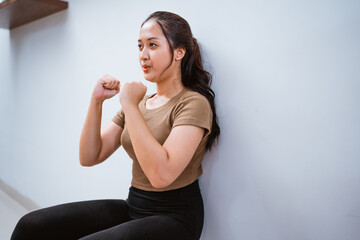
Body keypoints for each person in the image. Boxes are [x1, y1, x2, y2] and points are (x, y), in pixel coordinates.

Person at [11, 11, 220, 240]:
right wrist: (97, 101)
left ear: (179, 52)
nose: (143, 55)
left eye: (152, 45)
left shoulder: (193, 103)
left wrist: (130, 105)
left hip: (176, 217)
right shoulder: (139, 102)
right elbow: (90, 156)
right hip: (135, 207)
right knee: (31, 224)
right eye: (140, 46)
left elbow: (161, 176)